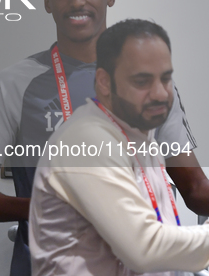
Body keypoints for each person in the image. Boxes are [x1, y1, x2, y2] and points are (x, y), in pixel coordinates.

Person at [0, 0, 208, 276]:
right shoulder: (13, 84)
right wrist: (45, 208)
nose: (77, 1)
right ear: (48, 2)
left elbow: (194, 189)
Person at [29, 19, 209, 275]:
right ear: (104, 82)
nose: (159, 93)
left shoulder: (139, 135)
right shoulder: (87, 140)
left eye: (166, 78)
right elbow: (145, 250)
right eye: (142, 81)